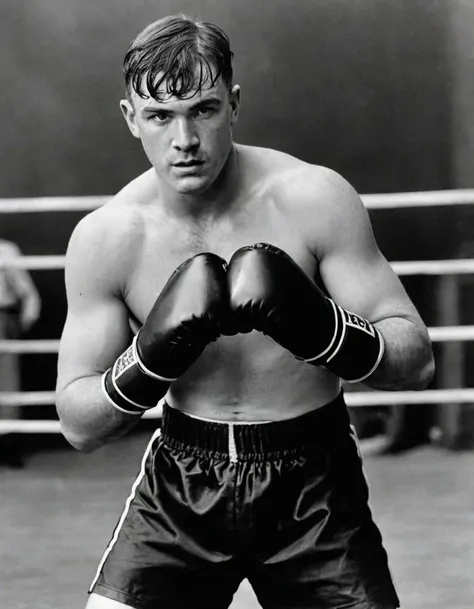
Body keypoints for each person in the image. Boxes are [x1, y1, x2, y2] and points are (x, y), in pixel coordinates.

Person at [56, 14, 434, 609]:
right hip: (182, 485)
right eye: (160, 116)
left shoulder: (312, 198)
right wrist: (147, 361)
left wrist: (322, 330)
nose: (184, 139)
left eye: (203, 110)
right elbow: (78, 423)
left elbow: (414, 360)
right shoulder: (109, 238)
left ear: (233, 103)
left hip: (316, 485)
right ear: (131, 118)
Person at [0, 239, 41, 465]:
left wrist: (20, 325)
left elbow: (28, 293)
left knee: (7, 384)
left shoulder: (5, 250)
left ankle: (8, 449)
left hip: (2, 320)